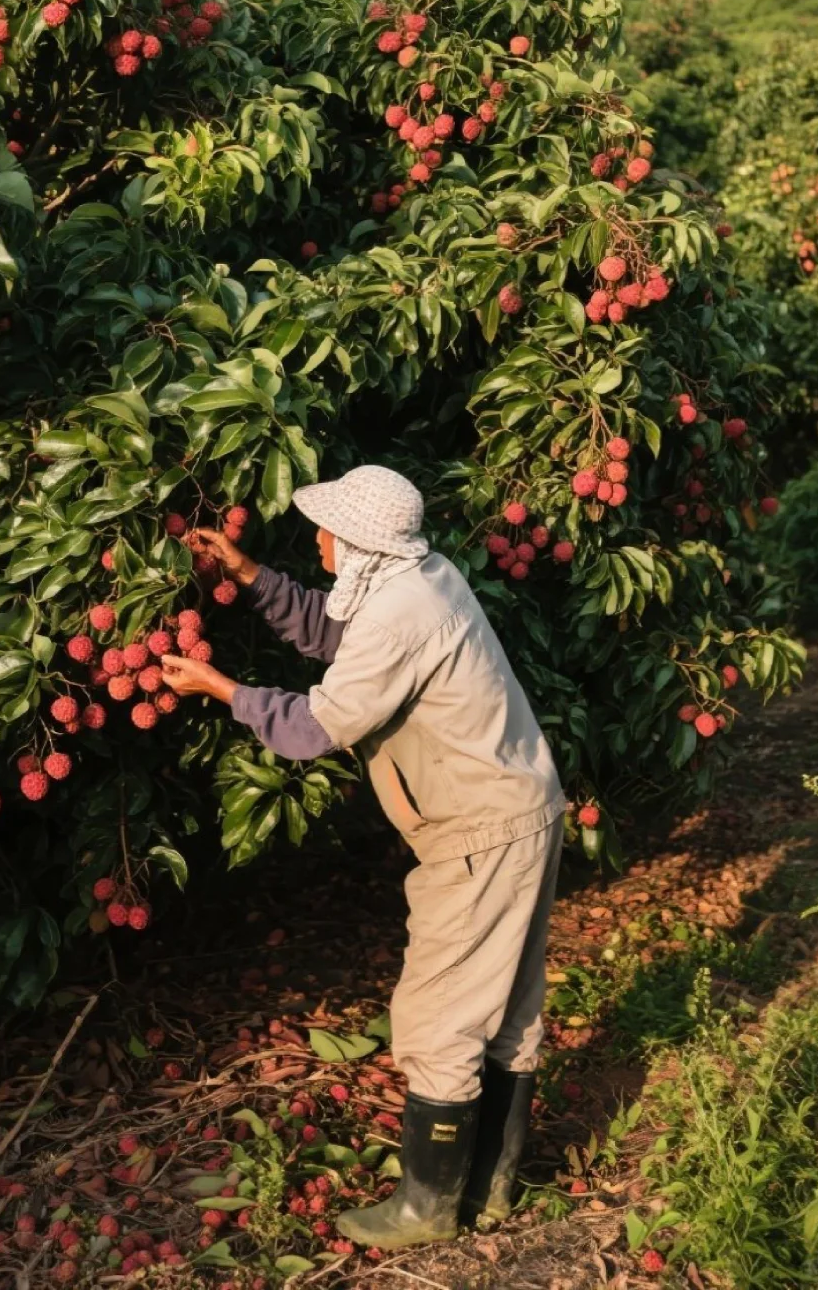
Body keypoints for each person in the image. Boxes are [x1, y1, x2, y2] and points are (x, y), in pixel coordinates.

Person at [161, 463, 565, 1253]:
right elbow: (334, 629)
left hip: (479, 828)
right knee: (508, 1006)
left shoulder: (402, 612)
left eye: (328, 530)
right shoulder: (421, 575)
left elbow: (316, 726)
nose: (318, 539)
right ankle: (490, 1185)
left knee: (438, 1013)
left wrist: (222, 689)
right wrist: (252, 577)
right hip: (520, 805)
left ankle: (428, 1206)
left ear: (360, 543)